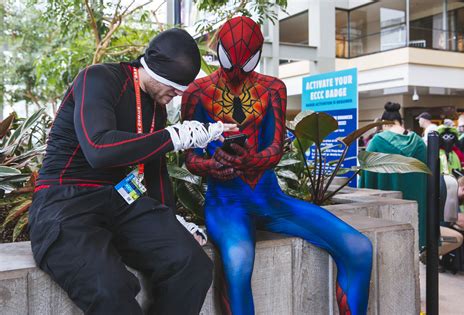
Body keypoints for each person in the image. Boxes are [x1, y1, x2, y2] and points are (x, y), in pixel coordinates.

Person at [29, 28, 238, 315]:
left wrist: (172, 219)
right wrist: (174, 137)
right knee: (110, 290)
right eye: (174, 86)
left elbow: (154, 170)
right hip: (65, 199)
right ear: (153, 69)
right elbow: (98, 149)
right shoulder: (99, 78)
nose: (177, 95)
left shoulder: (155, 106)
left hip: (119, 198)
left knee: (192, 264)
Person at [182, 16, 372, 315]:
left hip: (271, 200)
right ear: (218, 50)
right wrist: (211, 165)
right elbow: (189, 157)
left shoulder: (273, 88)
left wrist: (250, 159)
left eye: (245, 63)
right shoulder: (197, 92)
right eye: (230, 60)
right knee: (238, 262)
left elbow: (274, 149)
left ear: (258, 54)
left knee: (359, 248)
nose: (235, 72)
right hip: (226, 203)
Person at [359, 102, 428, 251]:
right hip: (415, 215)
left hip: (385, 216)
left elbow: (365, 180)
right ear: (400, 123)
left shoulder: (377, 142)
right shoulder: (420, 144)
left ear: (384, 125)